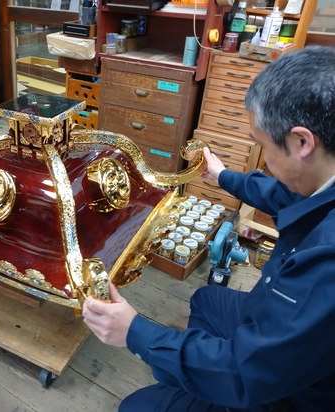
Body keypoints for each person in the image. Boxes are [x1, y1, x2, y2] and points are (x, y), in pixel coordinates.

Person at [82, 45, 335, 412]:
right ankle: (199, 375)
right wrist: (222, 175)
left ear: (302, 142)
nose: (264, 161)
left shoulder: (326, 261)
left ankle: (214, 389)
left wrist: (136, 333)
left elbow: (249, 373)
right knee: (206, 299)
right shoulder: (321, 178)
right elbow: (283, 195)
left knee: (135, 407)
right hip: (274, 324)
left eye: (263, 147)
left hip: (288, 393)